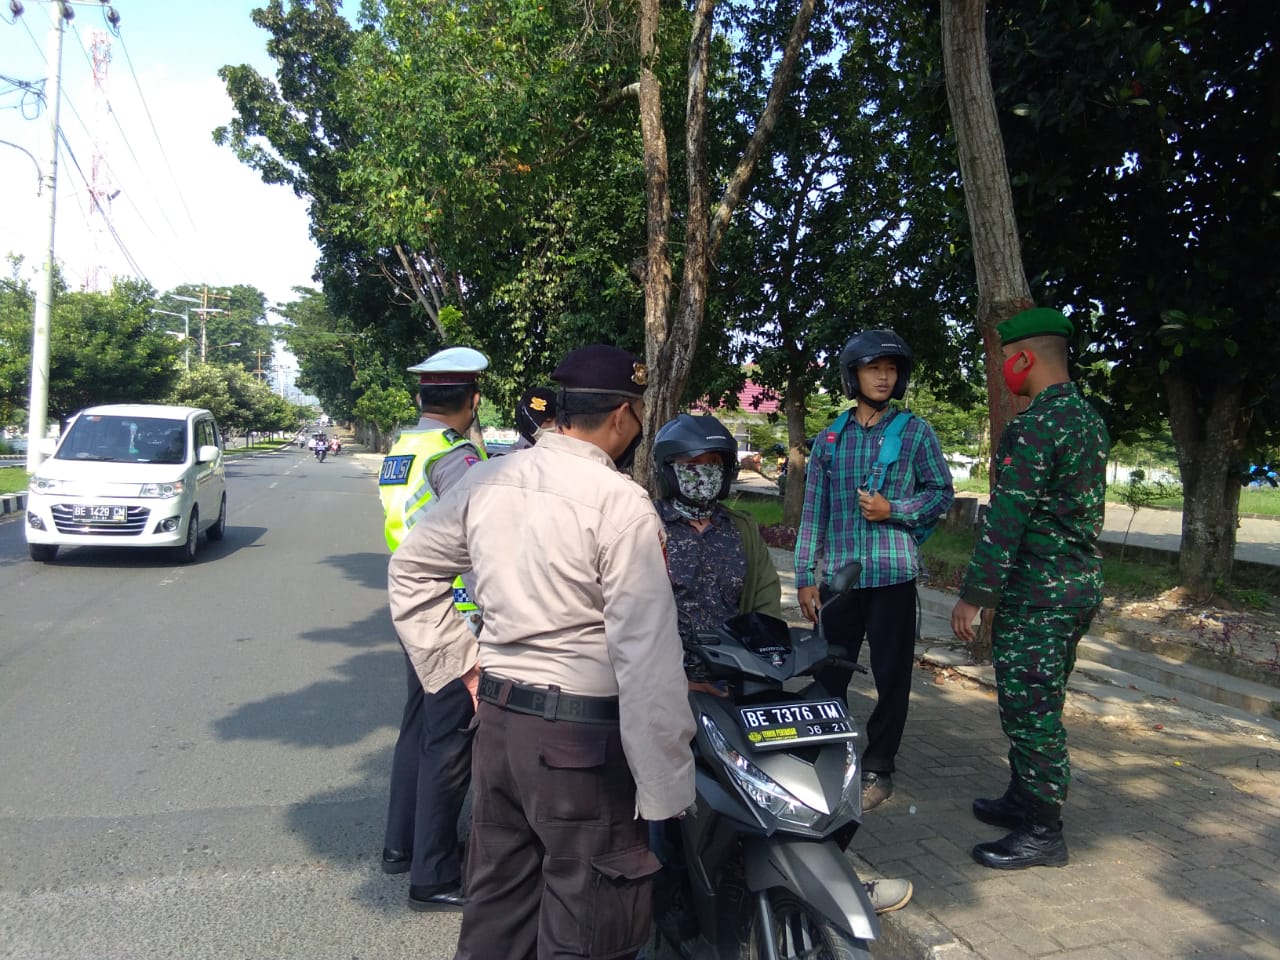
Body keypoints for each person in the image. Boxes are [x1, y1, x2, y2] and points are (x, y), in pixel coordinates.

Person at [388, 344, 695, 960]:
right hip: (582, 747)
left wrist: (464, 666)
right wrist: (664, 788)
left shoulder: (487, 478)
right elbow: (647, 658)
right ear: (621, 418)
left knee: (496, 913)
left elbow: (410, 571)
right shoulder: (622, 505)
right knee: (586, 925)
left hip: (499, 731)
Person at [652, 411, 914, 915]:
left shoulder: (741, 528)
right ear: (669, 469)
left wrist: (771, 655)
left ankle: (829, 873)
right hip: (669, 686)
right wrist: (675, 676)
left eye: (713, 463)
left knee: (798, 765)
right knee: (665, 803)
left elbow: (765, 606)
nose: (702, 472)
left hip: (736, 682)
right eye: (690, 464)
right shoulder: (648, 526)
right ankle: (659, 896)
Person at [950, 307, 1108, 870]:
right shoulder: (1088, 419)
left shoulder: (1036, 425)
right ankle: (1024, 797)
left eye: (1003, 362)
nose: (1003, 373)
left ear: (1022, 360)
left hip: (1039, 592)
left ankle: (1043, 830)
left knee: (1031, 709)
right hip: (1074, 586)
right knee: (1043, 696)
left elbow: (1007, 519)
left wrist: (974, 596)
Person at [794, 330, 954, 812]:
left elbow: (941, 492)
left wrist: (895, 509)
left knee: (891, 676)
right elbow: (813, 511)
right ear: (853, 375)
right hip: (839, 581)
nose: (883, 376)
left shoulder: (915, 432)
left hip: (892, 578)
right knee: (829, 671)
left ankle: (879, 765)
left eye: (891, 368)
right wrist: (805, 576)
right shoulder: (829, 438)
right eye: (872, 368)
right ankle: (820, 752)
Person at [378, 345, 489, 911]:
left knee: (418, 727)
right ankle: (436, 872)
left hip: (410, 606)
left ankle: (402, 846)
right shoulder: (456, 457)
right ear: (472, 400)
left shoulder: (404, 446)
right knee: (451, 740)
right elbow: (476, 541)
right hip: (452, 611)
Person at [509, 384, 557, 451]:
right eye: (548, 421)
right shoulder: (509, 459)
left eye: (558, 421)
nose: (555, 427)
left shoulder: (562, 456)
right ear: (528, 421)